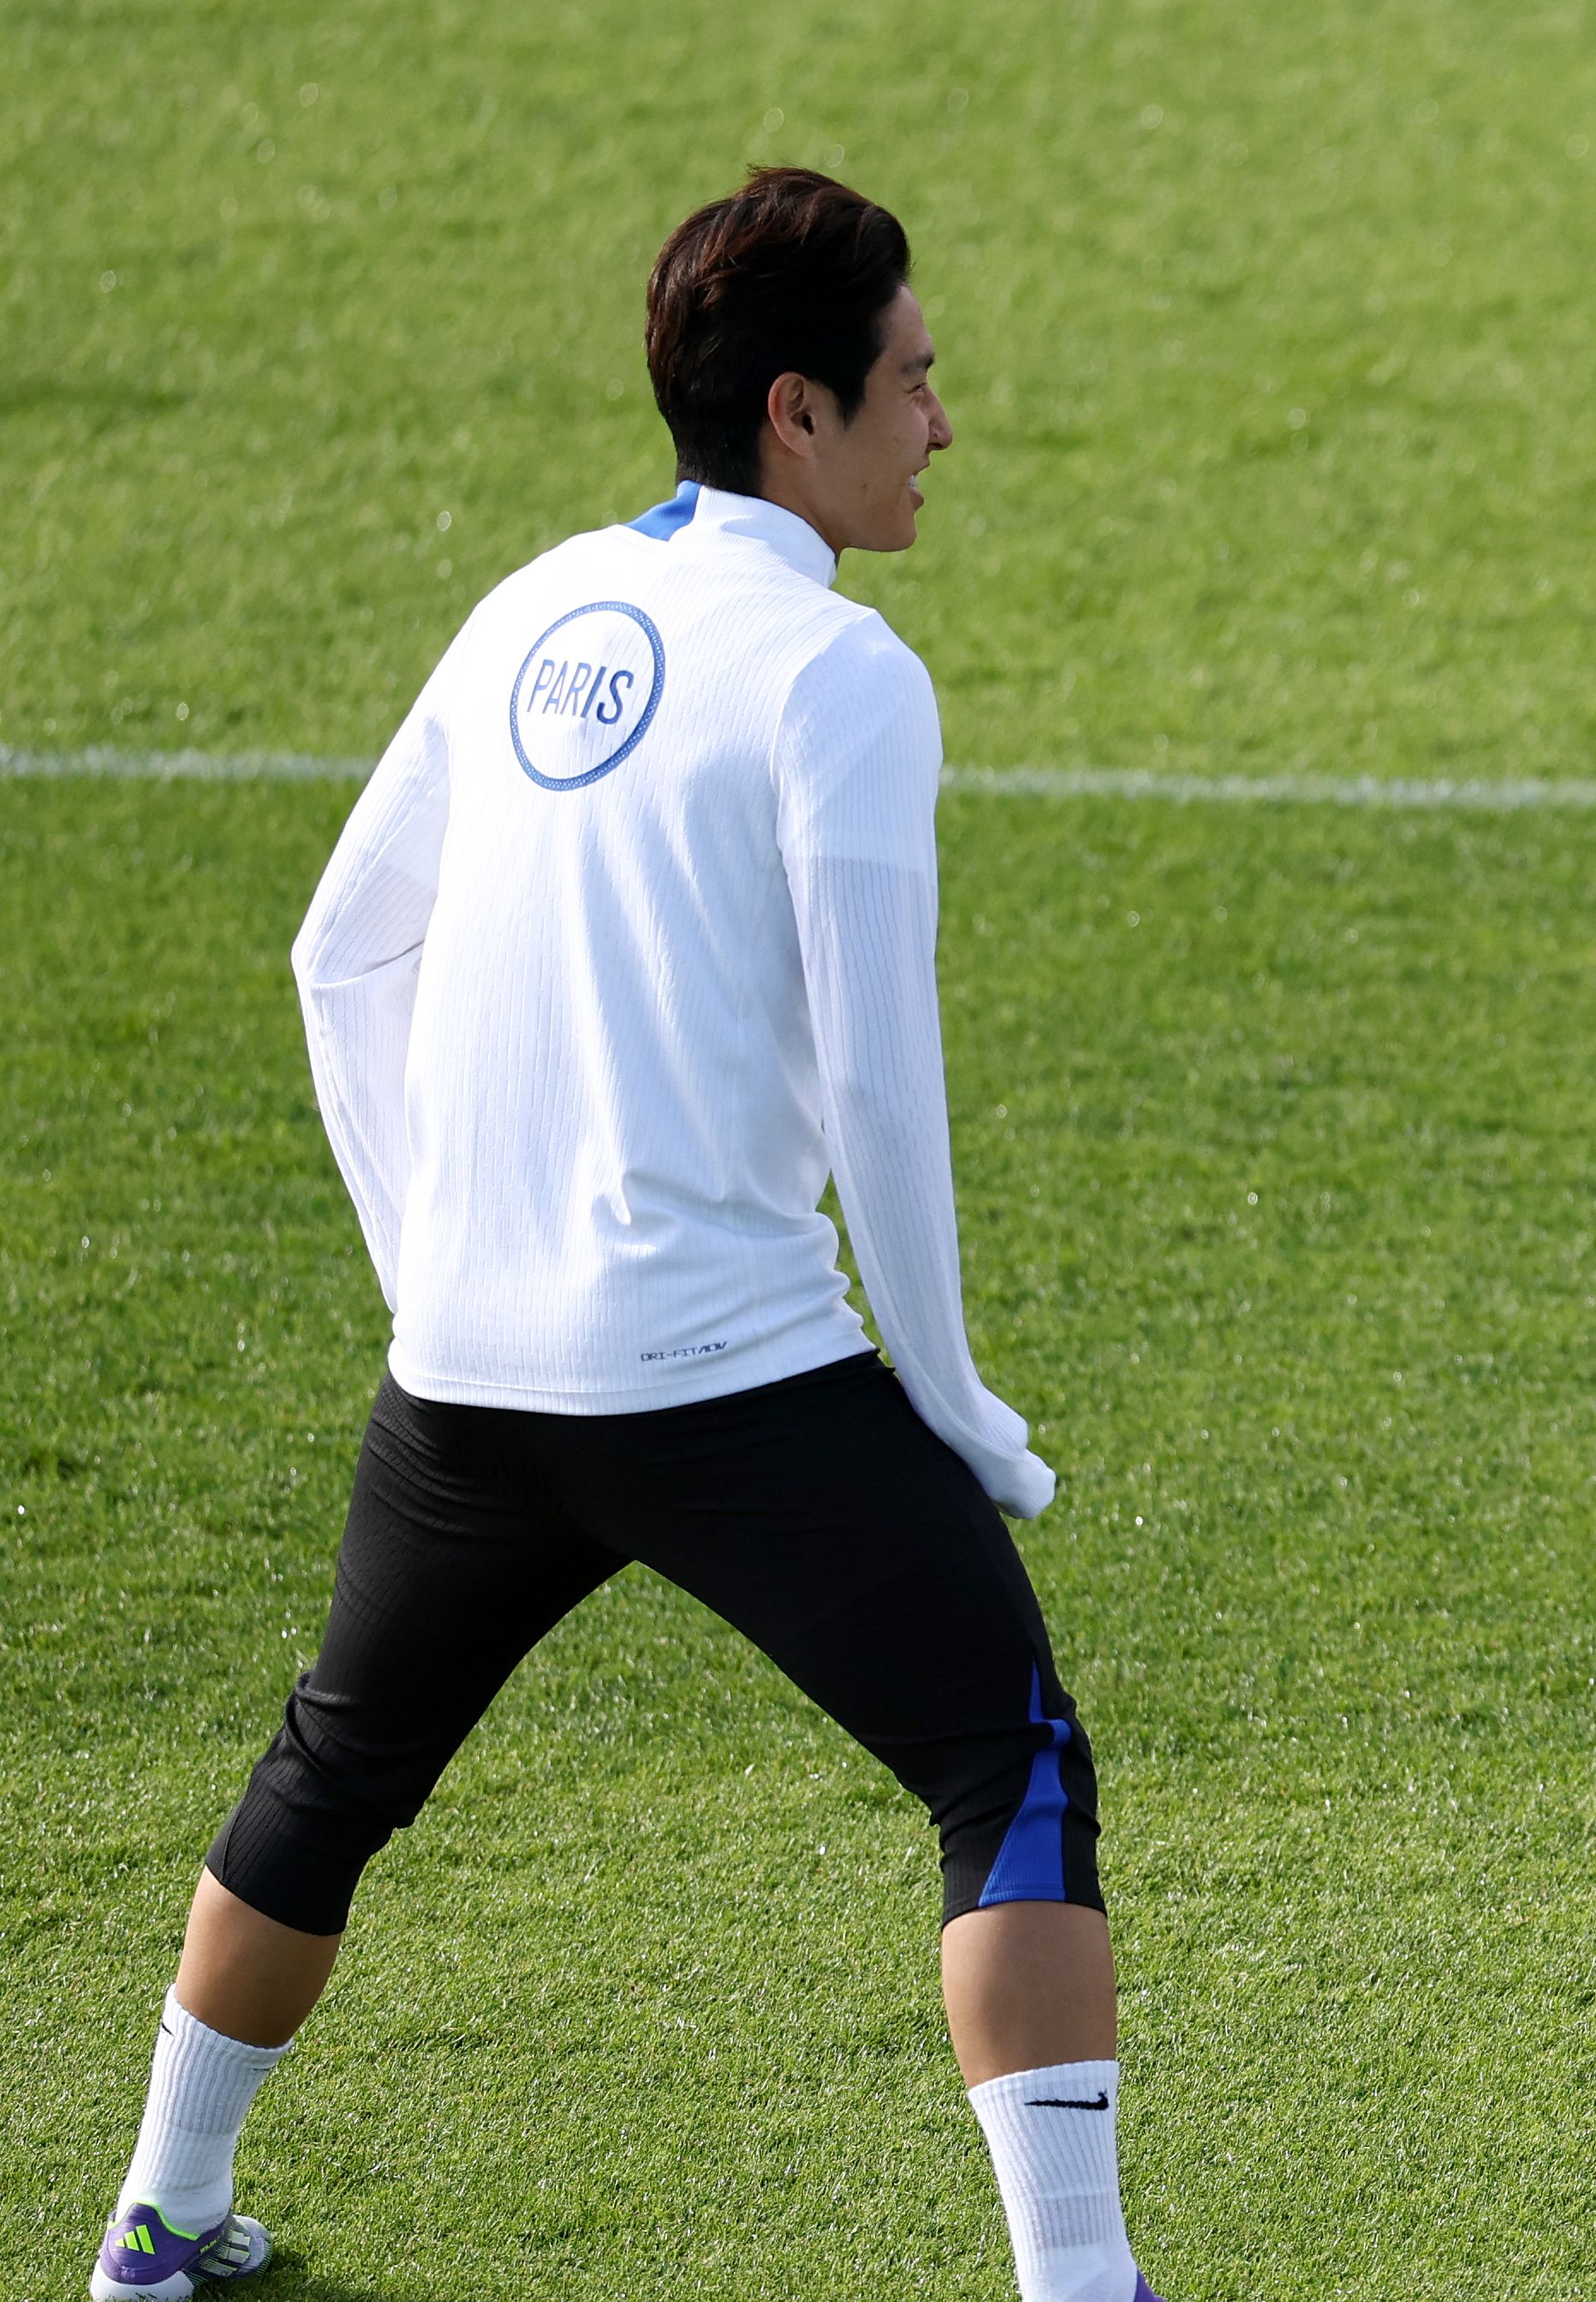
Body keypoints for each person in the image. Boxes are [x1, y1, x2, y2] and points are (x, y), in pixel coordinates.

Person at [80, 170, 1158, 2302]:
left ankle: (156, 2224)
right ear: (796, 412)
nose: (941, 425)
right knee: (1004, 1761)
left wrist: (436, 1271)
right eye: (915, 383)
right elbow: (876, 1098)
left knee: (337, 1760)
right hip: (731, 1378)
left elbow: (335, 954)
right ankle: (1080, 2283)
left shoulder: (529, 605)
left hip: (466, 1383)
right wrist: (945, 1399)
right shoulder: (839, 676)